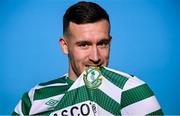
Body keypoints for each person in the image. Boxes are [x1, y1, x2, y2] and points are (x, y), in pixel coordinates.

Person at [12, 1, 164, 115]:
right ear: (65, 46)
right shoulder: (35, 97)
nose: (95, 57)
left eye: (102, 44)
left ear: (110, 42)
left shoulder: (132, 91)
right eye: (84, 45)